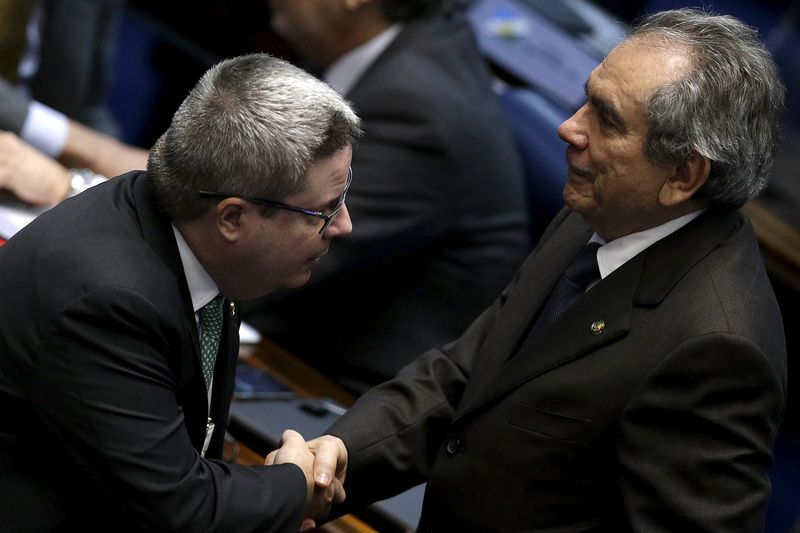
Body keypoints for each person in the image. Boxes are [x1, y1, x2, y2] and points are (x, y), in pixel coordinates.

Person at [290, 9, 789, 531]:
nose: (569, 127)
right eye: (585, 98)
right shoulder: (596, 210)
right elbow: (468, 376)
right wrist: (333, 460)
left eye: (606, 118)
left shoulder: (716, 349)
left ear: (684, 175)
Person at [0, 53, 361, 531]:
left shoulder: (181, 231)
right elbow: (181, 511)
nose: (344, 225)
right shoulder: (109, 301)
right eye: (324, 210)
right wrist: (295, 484)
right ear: (232, 218)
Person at [242, 0, 531, 392]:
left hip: (337, 397)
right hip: (295, 339)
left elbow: (268, 256)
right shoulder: (408, 49)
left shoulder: (415, 108)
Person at [0, 0, 149, 205]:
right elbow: (99, 152)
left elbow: (89, 106)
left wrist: (127, 178)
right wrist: (93, 156)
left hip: (34, 176)